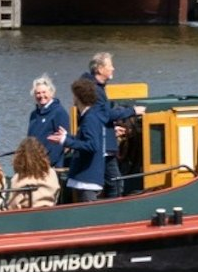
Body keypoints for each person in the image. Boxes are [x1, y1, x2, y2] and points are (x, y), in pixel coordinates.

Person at [79, 51, 143, 198]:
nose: (113, 69)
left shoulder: (93, 87)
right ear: (100, 69)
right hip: (102, 144)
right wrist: (133, 110)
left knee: (110, 181)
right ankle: (111, 211)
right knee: (115, 182)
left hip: (103, 139)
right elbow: (105, 114)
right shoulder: (95, 90)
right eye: (110, 66)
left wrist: (111, 128)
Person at [49, 80, 106, 202]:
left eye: (74, 95)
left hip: (88, 179)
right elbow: (85, 140)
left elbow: (92, 145)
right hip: (86, 177)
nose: (73, 98)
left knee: (87, 214)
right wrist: (68, 137)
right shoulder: (91, 116)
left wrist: (66, 141)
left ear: (78, 97)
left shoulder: (90, 119)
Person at [7, 136, 60, 210]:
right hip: (49, 211)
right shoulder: (51, 173)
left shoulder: (19, 177)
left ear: (20, 157)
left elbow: (13, 205)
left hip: (27, 215)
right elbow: (56, 194)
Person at [26, 76, 68, 168]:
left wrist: (49, 162)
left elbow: (62, 143)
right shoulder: (33, 114)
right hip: (34, 164)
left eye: (44, 92)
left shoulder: (59, 112)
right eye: (38, 93)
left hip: (51, 166)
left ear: (51, 93)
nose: (41, 96)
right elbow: (29, 139)